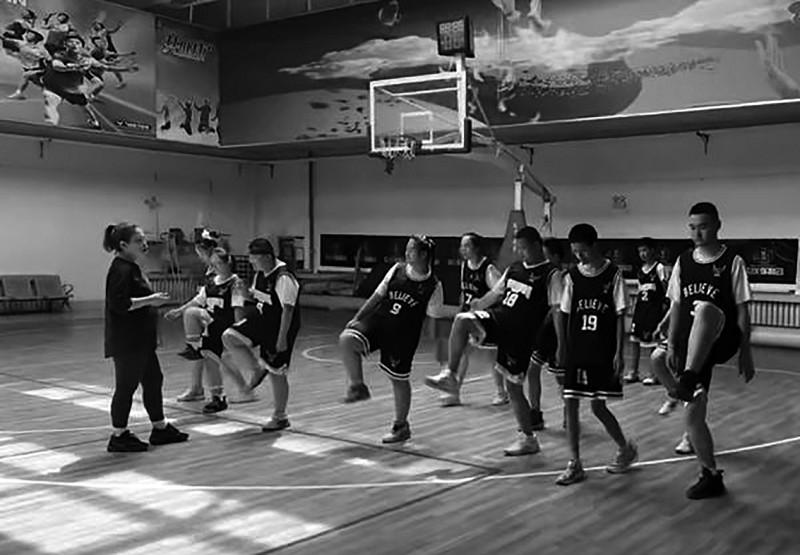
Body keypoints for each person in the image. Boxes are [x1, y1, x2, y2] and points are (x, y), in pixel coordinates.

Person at [650, 202, 755, 499]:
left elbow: (743, 309)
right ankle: (710, 473)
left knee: (706, 308)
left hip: (721, 337)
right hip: (691, 342)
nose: (697, 233)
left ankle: (686, 382)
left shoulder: (732, 261)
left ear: (718, 225)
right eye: (692, 227)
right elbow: (676, 305)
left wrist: (746, 350)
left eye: (704, 226)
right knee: (658, 359)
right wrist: (672, 342)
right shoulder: (684, 261)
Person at [426, 227, 560, 455]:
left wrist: (562, 344)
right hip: (499, 319)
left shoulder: (551, 274)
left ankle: (528, 438)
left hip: (520, 335)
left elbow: (558, 311)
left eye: (523, 248)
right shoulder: (514, 268)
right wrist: (479, 304)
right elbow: (496, 294)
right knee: (462, 319)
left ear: (536, 246)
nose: (520, 252)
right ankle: (450, 376)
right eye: (517, 248)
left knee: (513, 387)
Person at [340, 235, 445, 443]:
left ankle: (401, 426)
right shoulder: (397, 270)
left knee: (399, 379)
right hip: (379, 323)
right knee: (347, 340)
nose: (406, 253)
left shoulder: (434, 286)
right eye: (406, 249)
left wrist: (438, 351)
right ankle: (358, 386)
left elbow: (433, 322)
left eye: (411, 250)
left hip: (403, 336)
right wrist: (357, 318)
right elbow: (377, 296)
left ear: (424, 254)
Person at [555, 223, 637, 485]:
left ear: (594, 246)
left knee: (598, 407)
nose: (579, 256)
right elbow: (564, 314)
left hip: (602, 350)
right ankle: (574, 463)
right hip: (578, 348)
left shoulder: (613, 275)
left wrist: (619, 353)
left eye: (583, 251)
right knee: (570, 402)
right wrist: (562, 346)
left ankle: (625, 448)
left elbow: (620, 315)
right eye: (575, 252)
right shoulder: (572, 277)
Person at [103, 223, 188, 452]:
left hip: (141, 340)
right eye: (138, 240)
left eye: (143, 239)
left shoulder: (132, 267)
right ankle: (119, 435)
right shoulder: (120, 269)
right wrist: (151, 300)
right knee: (126, 386)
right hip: (128, 341)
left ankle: (160, 428)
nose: (144, 244)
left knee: (153, 380)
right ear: (123, 245)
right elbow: (119, 304)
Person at [222, 238, 301, 432]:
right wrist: (245, 293)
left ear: (266, 257)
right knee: (229, 336)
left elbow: (288, 311)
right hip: (262, 318)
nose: (250, 261)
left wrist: (282, 339)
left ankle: (280, 417)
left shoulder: (283, 277)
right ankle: (257, 369)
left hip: (281, 325)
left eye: (253, 257)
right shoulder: (260, 274)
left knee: (277, 371)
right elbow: (258, 297)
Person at [427, 232, 506, 407]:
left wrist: (481, 304)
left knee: (493, 356)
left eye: (466, 245)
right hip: (468, 316)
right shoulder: (464, 266)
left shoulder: (488, 269)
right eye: (461, 246)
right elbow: (465, 292)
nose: (462, 249)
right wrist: (462, 308)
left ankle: (501, 392)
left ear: (476, 248)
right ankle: (453, 392)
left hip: (486, 318)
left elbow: (499, 294)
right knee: (461, 353)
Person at [186, 248, 246, 414]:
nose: (215, 267)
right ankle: (217, 397)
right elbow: (197, 301)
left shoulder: (236, 283)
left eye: (218, 263)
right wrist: (178, 311)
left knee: (222, 361)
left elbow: (238, 309)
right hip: (210, 328)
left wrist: (239, 329)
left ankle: (242, 390)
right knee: (210, 360)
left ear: (228, 263)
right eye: (213, 264)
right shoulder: (211, 283)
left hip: (224, 328)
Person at [164, 229, 222, 402]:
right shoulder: (210, 270)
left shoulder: (219, 270)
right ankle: (196, 387)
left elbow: (202, 298)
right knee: (200, 351)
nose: (199, 257)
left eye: (199, 253)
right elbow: (201, 297)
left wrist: (180, 310)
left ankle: (223, 392)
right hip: (210, 313)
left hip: (219, 315)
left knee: (209, 353)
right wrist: (179, 310)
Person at [625, 237, 670, 385]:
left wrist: (665, 307)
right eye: (640, 251)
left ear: (653, 250)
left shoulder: (659, 268)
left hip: (654, 310)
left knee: (652, 341)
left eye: (645, 250)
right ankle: (633, 371)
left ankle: (653, 374)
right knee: (634, 340)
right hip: (641, 309)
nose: (642, 254)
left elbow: (666, 289)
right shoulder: (640, 270)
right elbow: (640, 290)